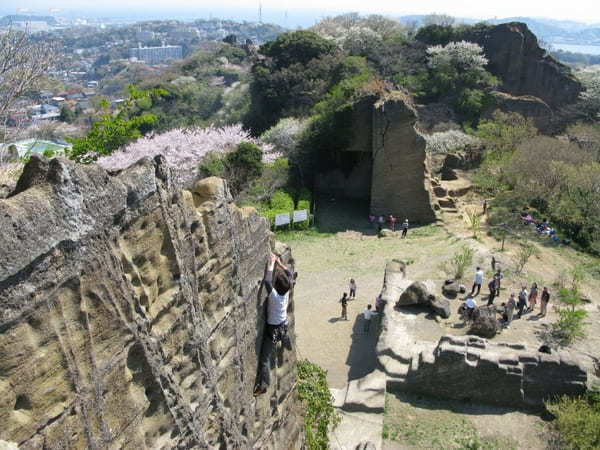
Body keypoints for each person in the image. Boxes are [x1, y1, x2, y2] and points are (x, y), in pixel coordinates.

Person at [254, 253, 295, 396]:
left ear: (276, 287)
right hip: (283, 325)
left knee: (264, 359)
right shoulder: (287, 290)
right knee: (284, 333)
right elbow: (290, 273)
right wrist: (280, 263)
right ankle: (288, 344)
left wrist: (272, 263)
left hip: (273, 331)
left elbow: (266, 282)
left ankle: (264, 384)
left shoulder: (275, 297)